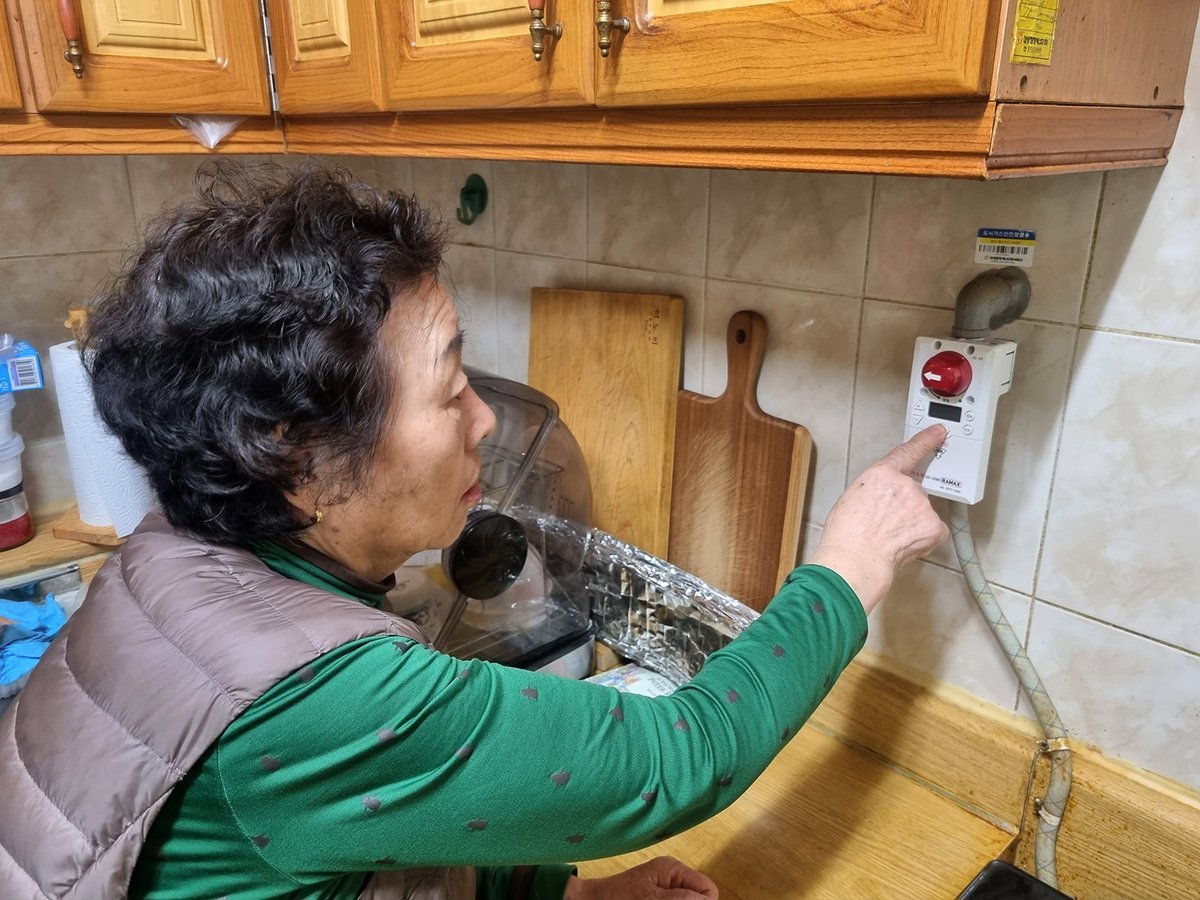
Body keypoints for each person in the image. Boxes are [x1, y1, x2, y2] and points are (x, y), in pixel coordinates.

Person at [0, 163, 948, 900]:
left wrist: (567, 893)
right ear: (299, 455)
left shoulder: (173, 549)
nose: (484, 421)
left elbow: (371, 837)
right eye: (449, 391)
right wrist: (850, 561)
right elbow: (683, 754)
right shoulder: (317, 694)